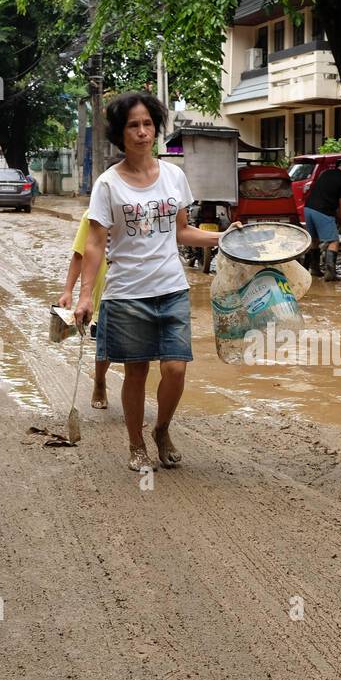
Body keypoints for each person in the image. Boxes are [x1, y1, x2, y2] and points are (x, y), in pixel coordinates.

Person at [73, 90, 226, 472]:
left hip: (172, 288)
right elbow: (94, 244)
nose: (142, 132)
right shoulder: (108, 184)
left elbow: (183, 232)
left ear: (156, 129)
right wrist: (84, 296)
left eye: (147, 124)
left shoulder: (174, 176)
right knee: (137, 372)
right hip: (127, 293)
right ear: (120, 134)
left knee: (176, 368)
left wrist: (224, 237)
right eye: (133, 125)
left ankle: (162, 429)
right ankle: (136, 443)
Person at [58, 215, 111, 409]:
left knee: (138, 352)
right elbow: (79, 255)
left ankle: (133, 405)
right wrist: (68, 291)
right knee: (106, 346)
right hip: (103, 292)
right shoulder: (93, 214)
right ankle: (99, 380)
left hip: (133, 288)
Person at [304, 157, 341, 281]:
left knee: (314, 240)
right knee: (333, 241)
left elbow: (327, 195)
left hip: (309, 209)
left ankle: (312, 269)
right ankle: (330, 274)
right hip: (322, 211)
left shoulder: (326, 173)